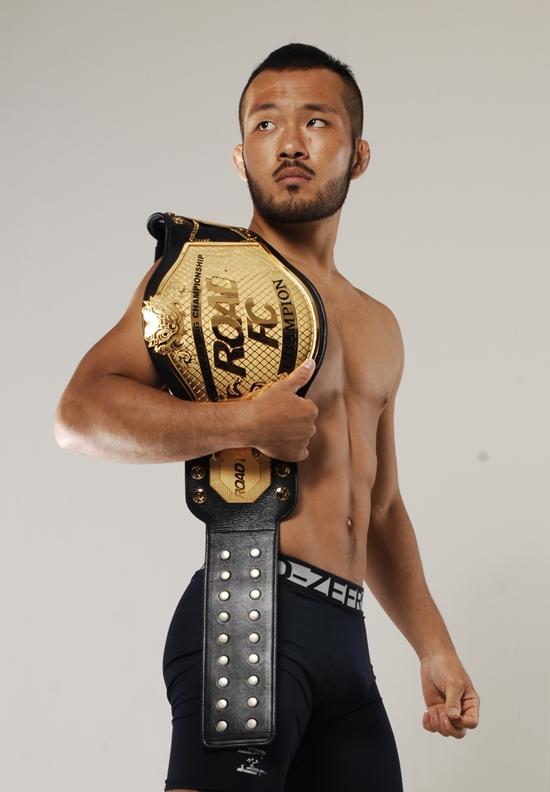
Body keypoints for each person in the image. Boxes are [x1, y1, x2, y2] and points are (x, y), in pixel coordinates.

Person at [55, 43, 479, 792]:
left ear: (359, 154)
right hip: (246, 614)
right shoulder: (204, 279)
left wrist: (433, 645)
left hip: (348, 644)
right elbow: (80, 414)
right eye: (264, 123)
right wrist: (241, 422)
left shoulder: (379, 323)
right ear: (239, 155)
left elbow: (380, 506)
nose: (288, 143)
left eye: (315, 121)